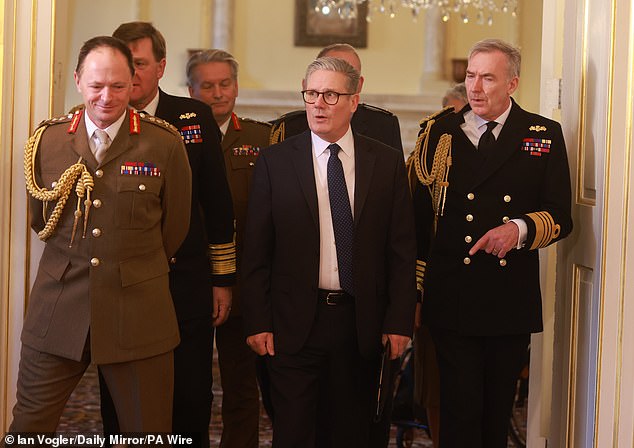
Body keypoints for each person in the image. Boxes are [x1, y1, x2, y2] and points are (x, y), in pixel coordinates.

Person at [10, 36, 191, 432]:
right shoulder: (48, 142)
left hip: (139, 309)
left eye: (118, 85)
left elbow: (174, 227)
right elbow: (42, 219)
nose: (106, 97)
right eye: (96, 85)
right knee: (28, 429)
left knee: (149, 433)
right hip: (59, 306)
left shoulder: (164, 143)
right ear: (78, 80)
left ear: (134, 83)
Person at [241, 56, 417, 447]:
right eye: (311, 93)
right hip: (292, 324)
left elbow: (401, 249)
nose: (318, 103)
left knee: (351, 433)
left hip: (360, 324)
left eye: (331, 95)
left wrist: (399, 320)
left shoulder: (385, 162)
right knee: (293, 433)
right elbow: (256, 249)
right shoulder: (275, 161)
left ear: (354, 100)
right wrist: (257, 320)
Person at [411, 39, 573, 448]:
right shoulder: (437, 133)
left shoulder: (542, 134)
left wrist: (517, 229)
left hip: (508, 299)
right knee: (459, 410)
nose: (475, 87)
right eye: (470, 76)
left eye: (487, 77)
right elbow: (415, 224)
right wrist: (412, 293)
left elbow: (560, 216)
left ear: (512, 84)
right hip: (452, 295)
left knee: (496, 411)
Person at [96, 22, 236, 447]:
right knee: (119, 398)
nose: (130, 73)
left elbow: (217, 204)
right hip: (121, 289)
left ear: (159, 66)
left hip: (184, 283)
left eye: (138, 63)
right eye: (122, 63)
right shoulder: (99, 120)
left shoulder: (191, 118)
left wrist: (222, 280)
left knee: (189, 394)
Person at [186, 48, 271, 448]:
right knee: (191, 385)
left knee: (241, 384)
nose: (218, 93)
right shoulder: (174, 135)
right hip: (188, 278)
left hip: (242, 280)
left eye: (225, 84)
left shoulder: (262, 137)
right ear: (190, 89)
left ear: (236, 87)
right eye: (208, 85)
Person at [270, 43, 403, 153]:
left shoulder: (383, 126)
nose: (319, 104)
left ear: (359, 85)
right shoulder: (286, 128)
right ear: (306, 85)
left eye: (331, 93)